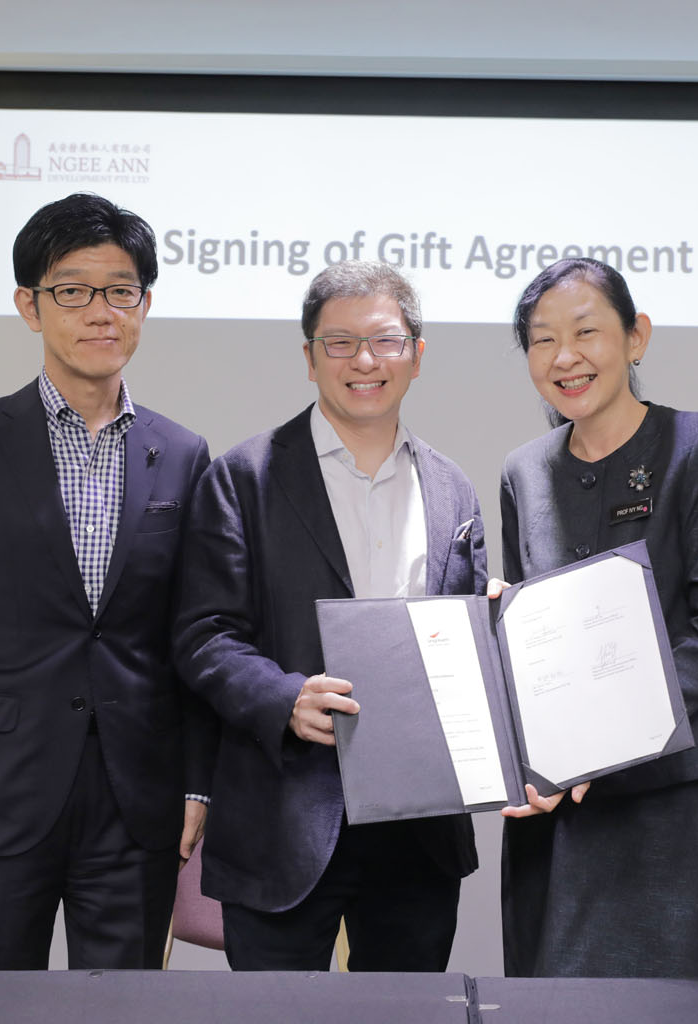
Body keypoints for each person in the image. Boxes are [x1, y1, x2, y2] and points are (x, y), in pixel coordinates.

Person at [0, 192, 215, 969]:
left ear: (144, 304)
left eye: (121, 290)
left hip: (136, 799)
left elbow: (194, 636)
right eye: (72, 290)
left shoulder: (182, 453)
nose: (100, 311)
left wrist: (196, 787)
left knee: (121, 1012)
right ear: (29, 307)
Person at [176, 260, 484, 971]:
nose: (364, 361)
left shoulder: (452, 489)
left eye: (384, 341)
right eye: (339, 343)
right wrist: (284, 698)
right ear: (309, 359)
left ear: (417, 354)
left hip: (419, 829)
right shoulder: (243, 476)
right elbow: (203, 634)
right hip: (283, 816)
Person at [496, 257, 698, 978]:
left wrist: (602, 735)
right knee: (551, 997)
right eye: (543, 340)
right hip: (560, 803)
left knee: (668, 1002)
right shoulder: (524, 469)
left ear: (636, 337)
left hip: (669, 795)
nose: (565, 357)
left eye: (587, 332)